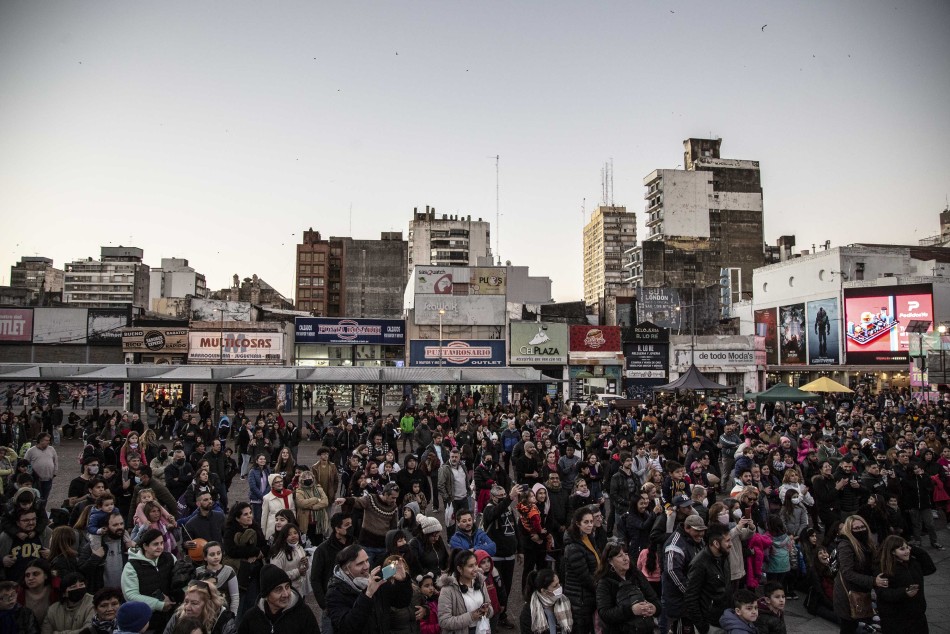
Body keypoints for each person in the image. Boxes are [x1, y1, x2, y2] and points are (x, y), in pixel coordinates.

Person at [325, 543, 413, 634]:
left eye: (367, 560)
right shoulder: (335, 592)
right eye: (360, 564)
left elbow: (402, 602)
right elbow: (347, 627)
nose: (366, 567)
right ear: (346, 569)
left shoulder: (376, 579)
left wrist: (403, 581)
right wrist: (368, 595)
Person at [833, 515, 887, 634]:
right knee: (849, 627)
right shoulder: (845, 545)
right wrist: (873, 581)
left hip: (861, 590)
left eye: (862, 527)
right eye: (856, 528)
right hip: (848, 594)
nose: (860, 530)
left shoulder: (867, 543)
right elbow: (847, 572)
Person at [594, 541, 659, 634]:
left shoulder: (636, 575)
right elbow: (605, 614)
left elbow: (654, 599)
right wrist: (631, 610)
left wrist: (654, 608)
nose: (625, 558)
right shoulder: (604, 582)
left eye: (626, 554)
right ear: (610, 561)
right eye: (620, 556)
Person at [875, 535, 936, 634]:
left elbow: (930, 568)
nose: (907, 551)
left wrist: (915, 549)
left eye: (907, 548)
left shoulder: (913, 563)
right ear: (892, 551)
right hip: (896, 618)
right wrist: (904, 592)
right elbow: (883, 593)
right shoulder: (883, 568)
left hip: (917, 615)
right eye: (902, 549)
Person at [120, 529, 176, 633]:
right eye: (155, 544)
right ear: (145, 546)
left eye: (161, 543)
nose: (160, 547)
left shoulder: (170, 558)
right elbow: (130, 595)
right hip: (146, 622)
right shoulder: (132, 566)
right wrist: (159, 605)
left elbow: (178, 582)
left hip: (171, 616)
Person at [236, 564, 318, 634]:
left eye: (287, 587)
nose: (286, 594)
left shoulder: (303, 614)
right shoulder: (251, 618)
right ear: (266, 595)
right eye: (278, 590)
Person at [334, 483, 400, 566]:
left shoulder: (394, 507)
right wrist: (345, 500)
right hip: (367, 545)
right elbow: (358, 501)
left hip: (383, 547)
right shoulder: (371, 499)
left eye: (396, 498)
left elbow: (393, 527)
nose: (395, 500)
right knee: (365, 570)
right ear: (386, 494)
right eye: (393, 498)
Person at [683, 522, 732, 634]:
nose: (731, 544)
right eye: (727, 541)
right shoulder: (699, 563)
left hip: (724, 619)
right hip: (710, 625)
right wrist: (702, 626)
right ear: (716, 543)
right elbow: (691, 597)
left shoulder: (723, 556)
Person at [661, 514, 707, 634]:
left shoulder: (696, 540)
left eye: (702, 530)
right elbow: (672, 571)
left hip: (692, 598)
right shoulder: (674, 545)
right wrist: (690, 592)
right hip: (679, 600)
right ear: (687, 528)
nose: (701, 534)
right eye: (697, 530)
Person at [311, 512, 354, 633]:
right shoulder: (322, 550)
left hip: (351, 602)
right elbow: (315, 578)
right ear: (337, 529)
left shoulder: (354, 545)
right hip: (331, 604)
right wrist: (324, 604)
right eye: (347, 525)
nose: (351, 527)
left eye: (351, 524)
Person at [437, 549, 492, 634]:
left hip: (481, 629)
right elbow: (444, 621)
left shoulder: (480, 582)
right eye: (470, 566)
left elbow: (489, 605)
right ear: (459, 569)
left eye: (476, 564)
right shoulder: (447, 590)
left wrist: (487, 611)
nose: (475, 569)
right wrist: (471, 617)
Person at [562, 506, 599, 634]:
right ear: (577, 524)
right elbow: (584, 577)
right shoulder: (573, 547)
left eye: (591, 521)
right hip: (579, 599)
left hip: (587, 596)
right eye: (586, 522)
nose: (590, 525)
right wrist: (601, 589)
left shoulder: (588, 538)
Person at [162, 578, 237, 634]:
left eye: (194, 603)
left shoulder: (224, 621)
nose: (187, 608)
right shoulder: (178, 617)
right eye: (186, 602)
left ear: (208, 605)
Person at [520, 568, 572, 634]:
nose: (559, 587)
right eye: (555, 586)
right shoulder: (529, 614)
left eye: (559, 583)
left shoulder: (564, 602)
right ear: (544, 591)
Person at [195, 541, 239, 616]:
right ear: (205, 557)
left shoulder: (229, 571)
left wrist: (233, 615)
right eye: (212, 555)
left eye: (219, 553)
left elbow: (235, 597)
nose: (216, 557)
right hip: (203, 613)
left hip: (223, 613)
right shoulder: (199, 571)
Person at [268, 524, 311, 597]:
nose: (293, 536)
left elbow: (304, 569)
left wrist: (306, 563)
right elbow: (276, 575)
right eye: (289, 534)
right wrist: (298, 572)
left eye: (295, 533)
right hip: (285, 592)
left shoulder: (299, 547)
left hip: (299, 589)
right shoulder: (279, 554)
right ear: (284, 537)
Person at [24, 433, 57, 502]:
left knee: (45, 497)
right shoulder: (31, 451)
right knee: (35, 497)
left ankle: (42, 511)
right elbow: (26, 463)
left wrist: (54, 473)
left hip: (48, 478)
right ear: (40, 441)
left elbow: (55, 461)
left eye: (49, 440)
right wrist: (30, 474)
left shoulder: (51, 449)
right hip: (35, 480)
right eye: (46, 440)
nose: (48, 442)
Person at [261, 474, 295, 540]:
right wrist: (263, 533)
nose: (280, 483)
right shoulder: (267, 498)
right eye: (277, 482)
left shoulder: (289, 494)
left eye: (281, 481)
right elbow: (264, 517)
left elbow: (293, 510)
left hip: (288, 528)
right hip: (273, 529)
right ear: (272, 485)